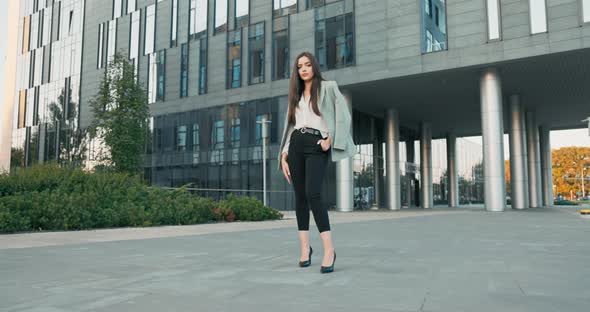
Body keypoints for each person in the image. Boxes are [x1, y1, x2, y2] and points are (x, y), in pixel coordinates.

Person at [277, 51, 355, 273]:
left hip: (316, 144)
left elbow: (343, 115)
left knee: (314, 194)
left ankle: (329, 250)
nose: (303, 69)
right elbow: (290, 127)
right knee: (300, 197)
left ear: (314, 67)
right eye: (299, 66)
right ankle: (305, 249)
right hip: (295, 147)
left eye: (307, 65)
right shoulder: (296, 95)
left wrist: (330, 140)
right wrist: (284, 154)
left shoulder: (328, 87)